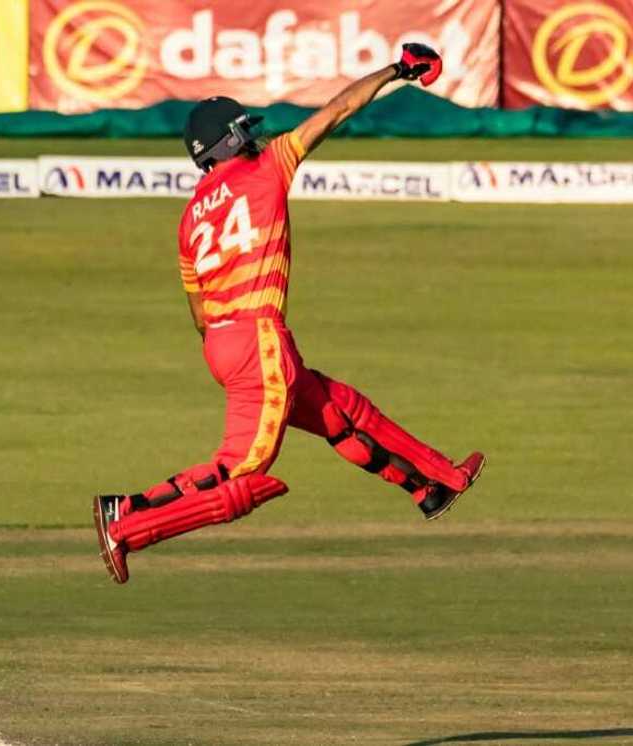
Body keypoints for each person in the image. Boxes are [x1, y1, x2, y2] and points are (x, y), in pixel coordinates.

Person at [92, 44, 484, 585]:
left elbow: (200, 313)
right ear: (228, 141)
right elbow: (339, 109)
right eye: (241, 130)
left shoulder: (189, 219)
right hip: (258, 337)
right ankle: (129, 519)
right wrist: (398, 71)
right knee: (242, 471)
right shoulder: (269, 166)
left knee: (342, 410)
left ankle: (436, 484)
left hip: (224, 345)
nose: (250, 136)